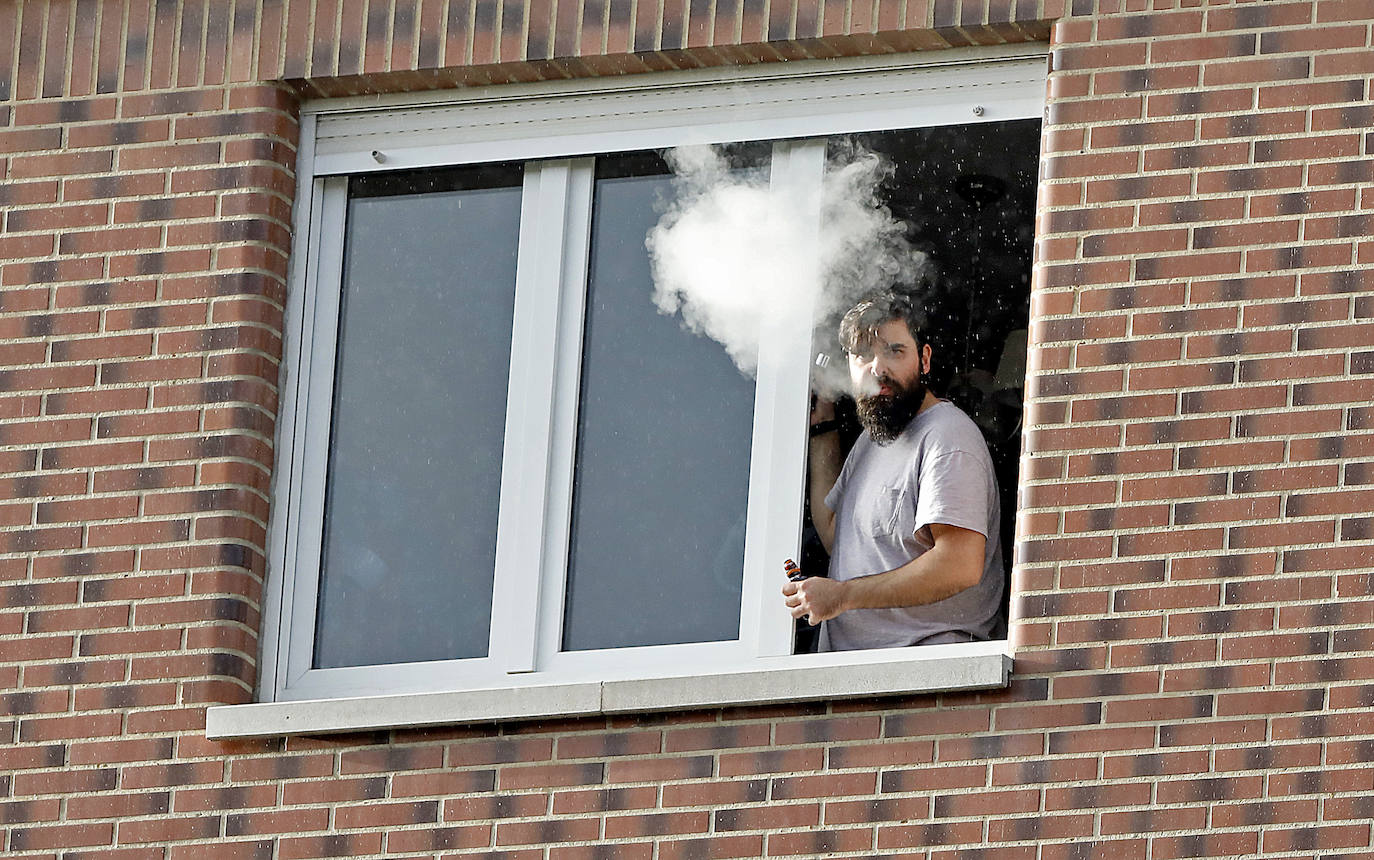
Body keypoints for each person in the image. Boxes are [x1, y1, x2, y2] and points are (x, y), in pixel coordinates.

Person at [782, 290, 1005, 650]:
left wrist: (841, 597)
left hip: (924, 674)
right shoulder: (871, 442)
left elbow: (959, 564)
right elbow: (834, 534)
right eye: (864, 356)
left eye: (894, 351)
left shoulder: (947, 436)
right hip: (857, 681)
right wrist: (823, 424)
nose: (878, 369)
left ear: (925, 359)